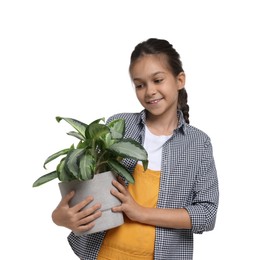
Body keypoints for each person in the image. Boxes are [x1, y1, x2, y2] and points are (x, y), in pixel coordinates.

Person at [52, 38, 219, 260]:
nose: (149, 91)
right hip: (102, 254)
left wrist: (141, 212)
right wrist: (59, 217)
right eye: (140, 85)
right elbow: (88, 182)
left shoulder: (198, 144)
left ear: (180, 80)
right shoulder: (119, 126)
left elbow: (206, 215)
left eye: (158, 80)